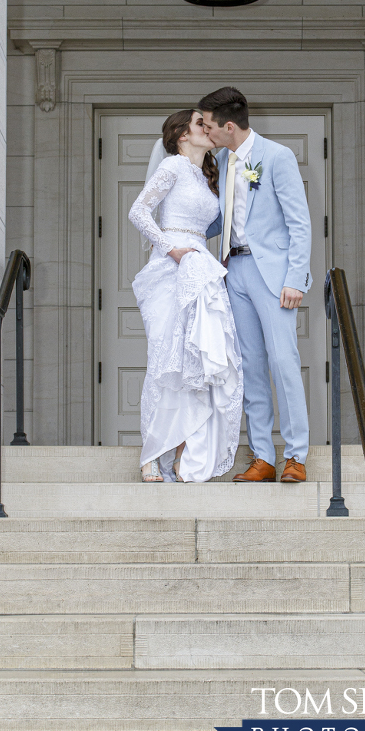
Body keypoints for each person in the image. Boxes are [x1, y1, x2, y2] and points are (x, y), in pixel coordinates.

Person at [199, 87, 312, 483]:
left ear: (229, 126)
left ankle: (296, 455)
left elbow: (300, 222)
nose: (206, 133)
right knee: (249, 366)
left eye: (210, 127)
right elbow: (221, 217)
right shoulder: (227, 161)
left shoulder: (277, 157)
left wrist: (296, 278)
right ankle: (262, 456)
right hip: (235, 271)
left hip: (274, 275)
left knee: (283, 360)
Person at [128, 109, 243, 483]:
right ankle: (150, 456)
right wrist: (169, 248)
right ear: (181, 135)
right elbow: (139, 211)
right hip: (171, 265)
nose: (206, 128)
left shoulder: (206, 176)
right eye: (199, 124)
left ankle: (180, 456)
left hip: (200, 267)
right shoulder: (174, 167)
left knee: (195, 358)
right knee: (165, 357)